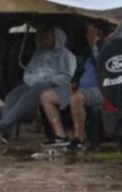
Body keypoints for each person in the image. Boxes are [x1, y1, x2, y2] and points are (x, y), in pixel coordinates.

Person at [0, 27, 75, 144]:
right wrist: (34, 79)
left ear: (57, 39)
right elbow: (28, 72)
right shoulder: (39, 53)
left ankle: (1, 125)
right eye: (41, 38)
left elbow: (66, 78)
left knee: (31, 95)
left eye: (47, 38)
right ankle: (5, 132)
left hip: (55, 87)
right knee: (12, 95)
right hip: (34, 84)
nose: (43, 41)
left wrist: (46, 78)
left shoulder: (66, 56)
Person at [41, 19, 113, 150]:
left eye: (90, 31)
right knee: (47, 96)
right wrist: (74, 82)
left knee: (77, 98)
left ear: (97, 32)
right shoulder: (87, 50)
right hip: (82, 87)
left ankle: (79, 139)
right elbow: (80, 68)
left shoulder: (110, 46)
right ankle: (60, 136)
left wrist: (94, 47)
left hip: (102, 89)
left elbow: (105, 67)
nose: (87, 34)